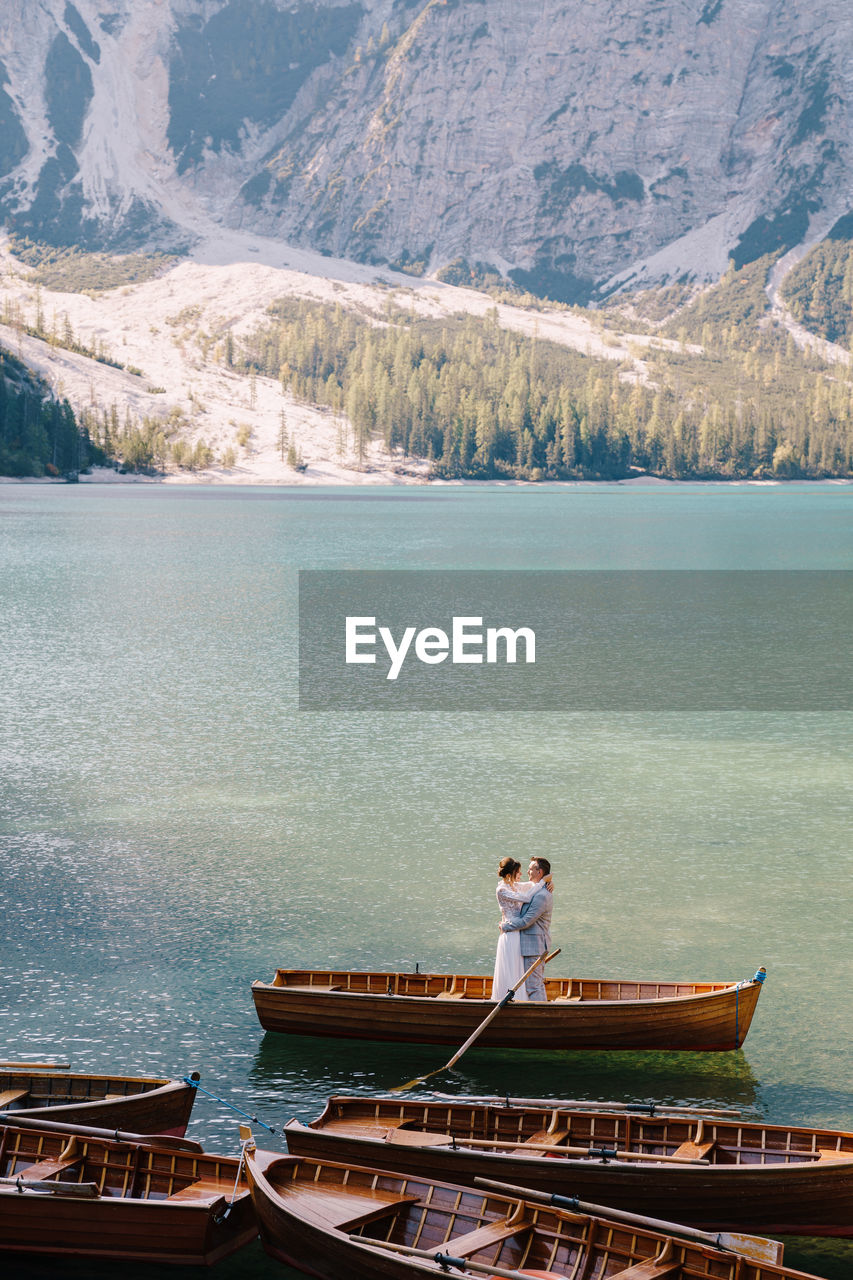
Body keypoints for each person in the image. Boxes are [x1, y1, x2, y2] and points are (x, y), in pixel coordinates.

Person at [492, 856, 553, 1003]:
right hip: (512, 937)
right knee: (518, 976)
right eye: (518, 872)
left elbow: (526, 917)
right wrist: (544, 882)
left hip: (520, 936)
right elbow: (528, 894)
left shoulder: (520, 887)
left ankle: (533, 1010)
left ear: (539, 872)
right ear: (509, 875)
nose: (523, 873)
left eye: (529, 869)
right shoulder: (502, 889)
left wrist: (548, 882)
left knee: (529, 982)